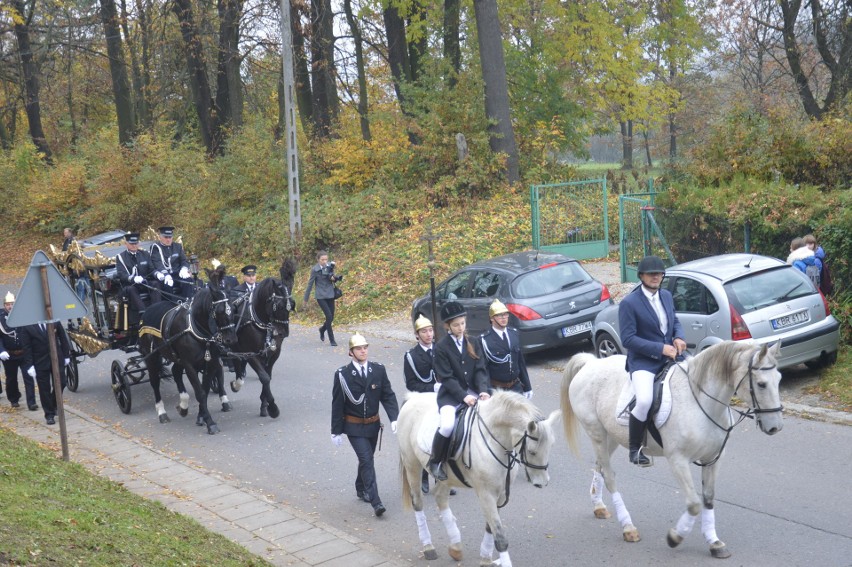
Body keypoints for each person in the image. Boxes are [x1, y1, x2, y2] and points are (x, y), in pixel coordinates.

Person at [618, 255, 686, 467]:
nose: (656, 277)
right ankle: (634, 448)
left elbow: (674, 320)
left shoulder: (666, 295)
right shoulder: (629, 303)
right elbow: (628, 339)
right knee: (645, 400)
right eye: (651, 274)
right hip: (644, 362)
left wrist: (679, 336)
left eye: (659, 273)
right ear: (641, 276)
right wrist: (660, 349)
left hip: (671, 355)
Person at [331, 333, 400, 518]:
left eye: (365, 347)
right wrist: (336, 431)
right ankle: (376, 501)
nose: (363, 351)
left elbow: (387, 395)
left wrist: (395, 418)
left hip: (373, 425)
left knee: (366, 459)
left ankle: (360, 487)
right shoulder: (343, 375)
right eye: (358, 349)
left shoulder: (378, 370)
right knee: (367, 460)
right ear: (350, 353)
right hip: (353, 427)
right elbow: (337, 403)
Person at [427, 301, 490, 481]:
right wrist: (464, 396)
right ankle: (436, 461)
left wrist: (483, 391)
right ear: (447, 326)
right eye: (456, 325)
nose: (460, 328)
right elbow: (446, 378)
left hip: (474, 391)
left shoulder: (474, 341)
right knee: (447, 425)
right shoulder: (441, 347)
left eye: (463, 323)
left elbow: (480, 369)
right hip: (451, 395)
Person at [404, 315, 441, 495]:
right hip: (423, 401)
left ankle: (441, 476)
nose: (428, 334)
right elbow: (411, 384)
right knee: (424, 437)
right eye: (424, 331)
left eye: (430, 330)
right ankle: (424, 476)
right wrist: (432, 386)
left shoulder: (441, 350)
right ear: (417, 335)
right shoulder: (411, 356)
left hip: (441, 399)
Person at [19, 320, 71, 425]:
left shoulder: (53, 321)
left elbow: (63, 338)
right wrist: (29, 365)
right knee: (44, 388)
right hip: (39, 361)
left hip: (56, 358)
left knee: (62, 382)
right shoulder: (28, 326)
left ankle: (53, 403)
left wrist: (66, 355)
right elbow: (26, 347)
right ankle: (49, 414)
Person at [480, 299, 532, 398]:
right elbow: (484, 370)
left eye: (505, 314)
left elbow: (520, 363)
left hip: (516, 387)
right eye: (499, 315)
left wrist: (527, 387)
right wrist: (487, 391)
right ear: (491, 318)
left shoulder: (514, 333)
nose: (503, 318)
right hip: (497, 390)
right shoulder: (484, 340)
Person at [115, 232, 161, 326]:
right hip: (131, 285)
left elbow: (151, 269)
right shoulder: (121, 257)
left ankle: (157, 309)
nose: (134, 245)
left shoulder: (145, 254)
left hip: (144, 282)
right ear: (126, 244)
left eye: (136, 243)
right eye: (131, 244)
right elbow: (121, 274)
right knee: (131, 289)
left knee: (155, 284)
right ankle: (143, 312)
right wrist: (132, 278)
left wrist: (157, 274)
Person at [1, 292, 37, 410]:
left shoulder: (23, 315)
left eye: (12, 304)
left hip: (24, 352)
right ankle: (14, 398)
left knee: (28, 377)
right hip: (10, 354)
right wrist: (2, 350)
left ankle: (31, 402)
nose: (10, 306)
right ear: (4, 305)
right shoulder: (1, 318)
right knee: (11, 378)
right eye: (7, 304)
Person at [303, 251, 343, 347]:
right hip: (320, 296)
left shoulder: (330, 266)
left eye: (326, 259)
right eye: (322, 260)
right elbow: (310, 284)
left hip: (330, 294)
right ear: (318, 260)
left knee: (331, 317)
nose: (325, 261)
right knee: (328, 316)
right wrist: (305, 299)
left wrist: (334, 278)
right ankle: (332, 339)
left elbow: (332, 277)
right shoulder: (315, 270)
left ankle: (322, 329)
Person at [229, 265, 258, 383]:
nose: (251, 278)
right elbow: (233, 308)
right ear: (244, 277)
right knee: (246, 345)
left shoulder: (261, 288)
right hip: (244, 322)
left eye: (253, 275)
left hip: (258, 321)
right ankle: (243, 366)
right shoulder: (237, 290)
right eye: (249, 276)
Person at [150, 226, 193, 300]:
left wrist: (184, 269)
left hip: (177, 274)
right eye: (166, 237)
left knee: (189, 281)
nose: (168, 239)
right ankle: (171, 305)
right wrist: (166, 274)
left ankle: (187, 302)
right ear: (160, 237)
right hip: (164, 276)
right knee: (167, 284)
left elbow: (184, 260)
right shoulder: (156, 248)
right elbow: (157, 263)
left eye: (170, 237)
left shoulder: (177, 247)